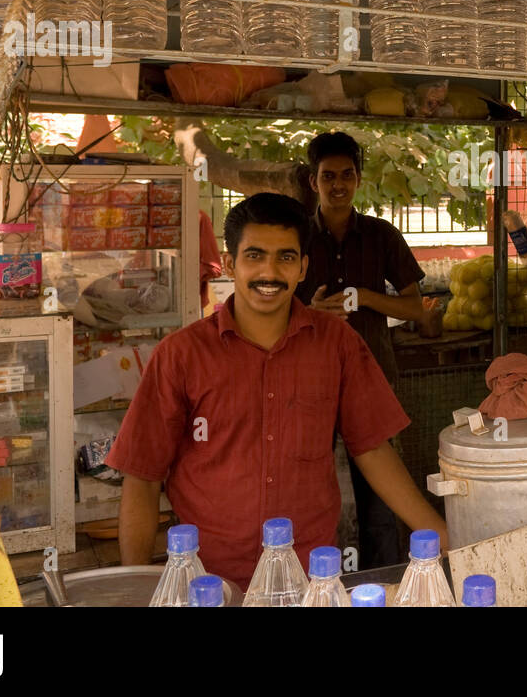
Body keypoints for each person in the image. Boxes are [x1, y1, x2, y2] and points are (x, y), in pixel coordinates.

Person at [106, 193, 446, 588]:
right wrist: (131, 586)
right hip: (206, 582)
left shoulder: (338, 343)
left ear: (303, 268)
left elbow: (371, 449)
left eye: (285, 257)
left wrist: (444, 539)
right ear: (230, 264)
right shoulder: (181, 355)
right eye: (254, 256)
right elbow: (143, 476)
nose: (269, 272)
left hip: (309, 579)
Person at [297, 131, 427, 570]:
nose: (338, 185)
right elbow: (270, 310)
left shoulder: (380, 236)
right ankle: (325, 585)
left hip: (373, 381)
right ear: (313, 181)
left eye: (347, 175)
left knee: (381, 501)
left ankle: (386, 580)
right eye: (328, 176)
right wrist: (310, 312)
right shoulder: (296, 237)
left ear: (358, 179)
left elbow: (415, 309)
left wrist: (368, 297)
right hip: (308, 385)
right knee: (318, 494)